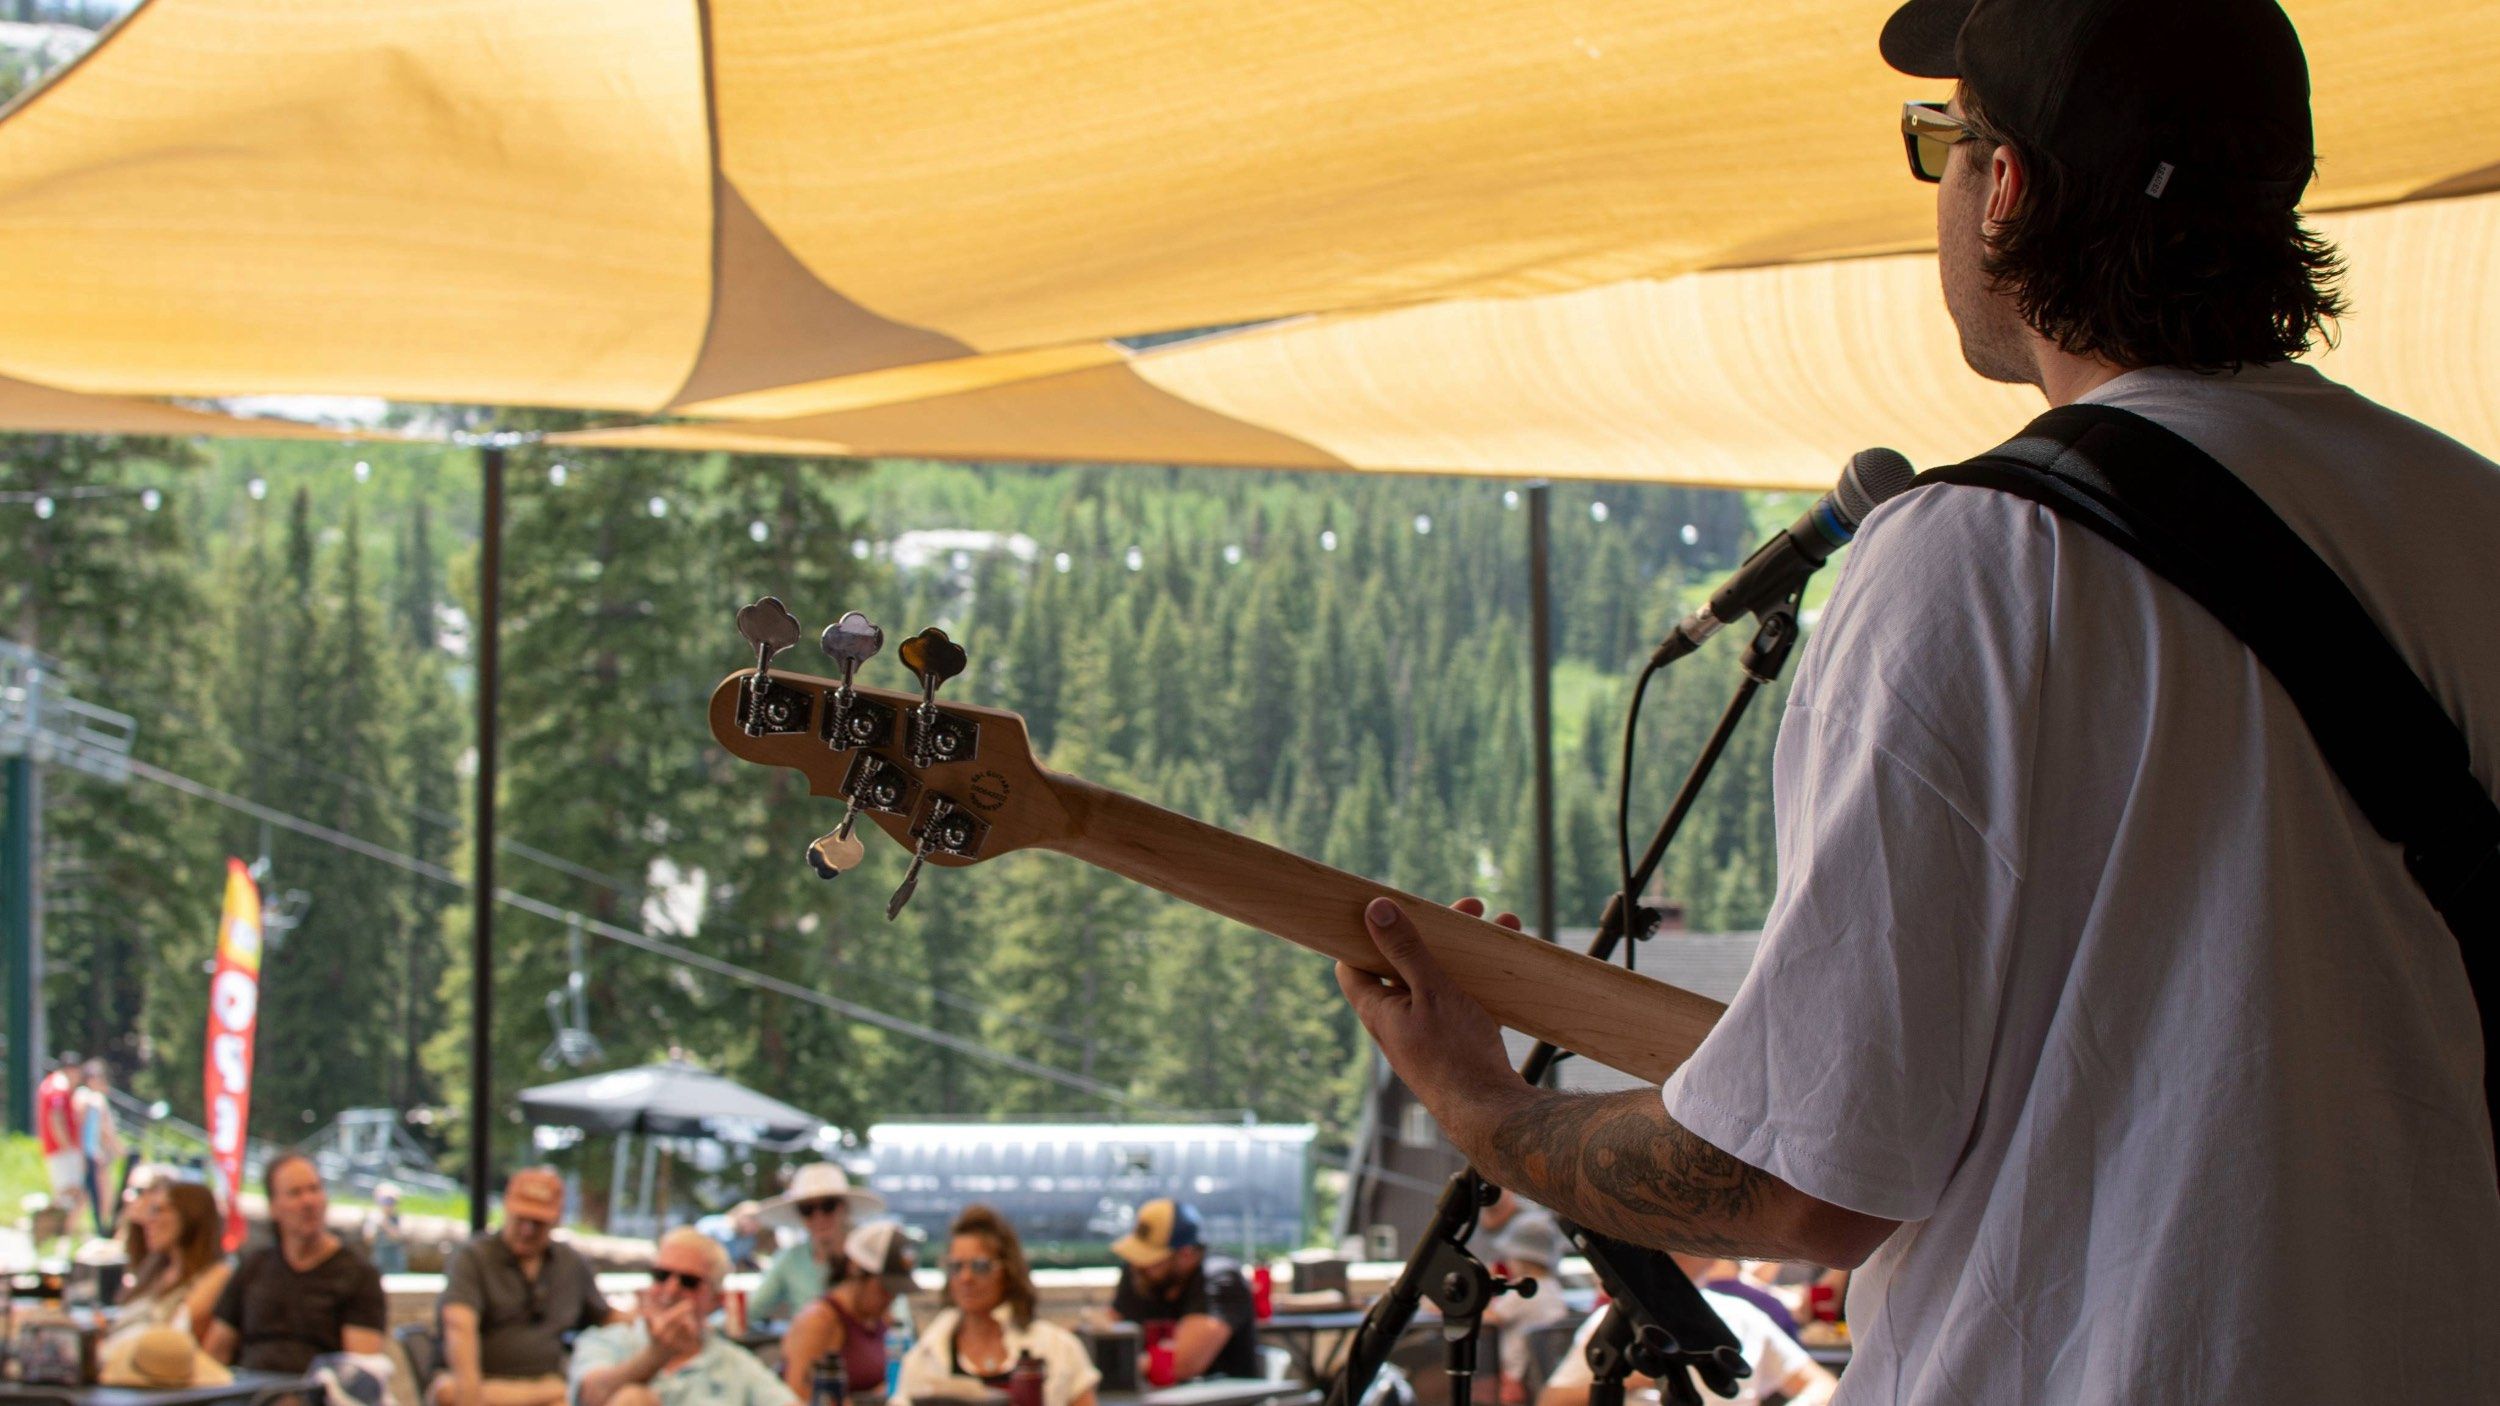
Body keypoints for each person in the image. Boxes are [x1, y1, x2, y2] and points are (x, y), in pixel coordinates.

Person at [1329, 0, 2500, 1399]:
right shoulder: (2469, 518)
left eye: (1939, 137)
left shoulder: (1976, 555)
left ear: (2005, 189)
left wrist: (1482, 1103)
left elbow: (1806, 1182)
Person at [1534, 1259, 1835, 1406]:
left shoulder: (1740, 1314)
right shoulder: (1618, 1318)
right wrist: (1634, 1378)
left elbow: (1820, 1385)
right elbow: (1552, 1400)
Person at [435, 1168, 616, 1406]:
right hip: (482, 1386)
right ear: (506, 1209)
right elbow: (459, 1327)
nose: (527, 1230)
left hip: (546, 1386)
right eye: (521, 1219)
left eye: (538, 1222)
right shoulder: (474, 1257)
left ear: (556, 1219)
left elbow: (606, 1316)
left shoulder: (571, 1263)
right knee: (448, 1391)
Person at [203, 1152, 388, 1372]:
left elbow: (360, 1371)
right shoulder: (254, 1266)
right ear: (273, 1207)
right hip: (247, 1390)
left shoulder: (358, 1274)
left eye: (314, 1189)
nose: (308, 1202)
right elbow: (216, 1350)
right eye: (295, 1193)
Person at [897, 1205, 1097, 1406]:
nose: (966, 1278)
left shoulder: (1059, 1348)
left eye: (980, 1266)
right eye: (956, 1266)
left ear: (1008, 1271)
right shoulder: (925, 1356)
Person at [571, 1227, 793, 1406]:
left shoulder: (736, 1365)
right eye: (662, 1275)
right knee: (632, 1399)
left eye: (689, 1282)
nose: (671, 1289)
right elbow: (589, 1397)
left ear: (716, 1300)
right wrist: (654, 1355)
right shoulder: (607, 1340)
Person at [1106, 1199, 1256, 1383]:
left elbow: (1182, 1364)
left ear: (1186, 1254)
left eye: (1152, 1259)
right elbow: (1108, 1337)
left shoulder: (1220, 1279)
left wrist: (1117, 1365)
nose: (1140, 1265)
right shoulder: (1139, 1273)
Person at [777, 1221, 918, 1400]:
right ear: (856, 1271)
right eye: (884, 1289)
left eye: (896, 1291)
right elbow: (797, 1397)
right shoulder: (818, 1322)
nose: (890, 1298)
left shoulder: (883, 1319)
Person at [747, 1163, 884, 1325]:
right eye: (807, 1209)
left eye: (828, 1205)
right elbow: (752, 1309)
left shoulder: (869, 1256)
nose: (818, 1217)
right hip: (809, 1345)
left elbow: (891, 1318)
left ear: (844, 1208)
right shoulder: (790, 1260)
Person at [1472, 1189, 1569, 1405]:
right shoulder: (1552, 1287)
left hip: (1519, 1373)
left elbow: (1493, 1317)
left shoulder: (1524, 1290)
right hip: (1544, 1372)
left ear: (1522, 1258)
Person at [108, 1180, 233, 1346]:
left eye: (158, 1210)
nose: (149, 1220)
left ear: (189, 1214)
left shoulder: (216, 1275)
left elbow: (178, 1333)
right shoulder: (155, 1269)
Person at [35, 1053, 86, 1230]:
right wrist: (67, 1147)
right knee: (75, 1194)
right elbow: (56, 1117)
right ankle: (58, 1231)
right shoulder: (59, 1088)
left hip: (55, 1149)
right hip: (61, 1150)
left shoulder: (50, 1084)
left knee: (66, 1195)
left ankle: (57, 1231)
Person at [75, 1058, 125, 1236]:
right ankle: (104, 1230)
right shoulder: (91, 1098)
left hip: (94, 1152)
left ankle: (97, 1229)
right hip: (91, 1152)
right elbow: (104, 1129)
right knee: (98, 1193)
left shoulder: (88, 1097)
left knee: (90, 1193)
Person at [364, 1183, 410, 1275]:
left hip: (395, 1260)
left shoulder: (399, 1218)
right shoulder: (373, 1217)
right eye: (386, 1201)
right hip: (379, 1259)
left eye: (392, 1201)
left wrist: (385, 1223)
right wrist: (374, 1225)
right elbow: (368, 1240)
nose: (389, 1204)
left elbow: (399, 1237)